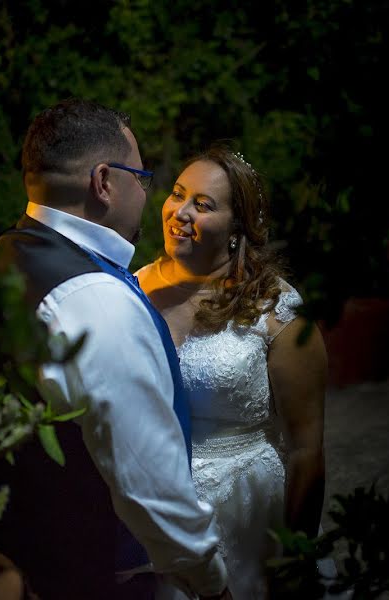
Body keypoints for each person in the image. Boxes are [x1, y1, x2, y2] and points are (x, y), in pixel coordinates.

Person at [0, 99, 232, 600]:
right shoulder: (93, 298)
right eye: (140, 177)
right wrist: (210, 582)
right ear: (103, 181)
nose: (146, 192)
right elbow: (148, 479)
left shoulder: (3, 257)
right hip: (103, 578)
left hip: (27, 560)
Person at [136, 143, 330, 599]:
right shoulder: (132, 291)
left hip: (248, 513)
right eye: (178, 194)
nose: (179, 212)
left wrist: (293, 557)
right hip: (155, 504)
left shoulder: (276, 310)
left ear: (237, 228)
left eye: (202, 205)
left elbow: (305, 449)